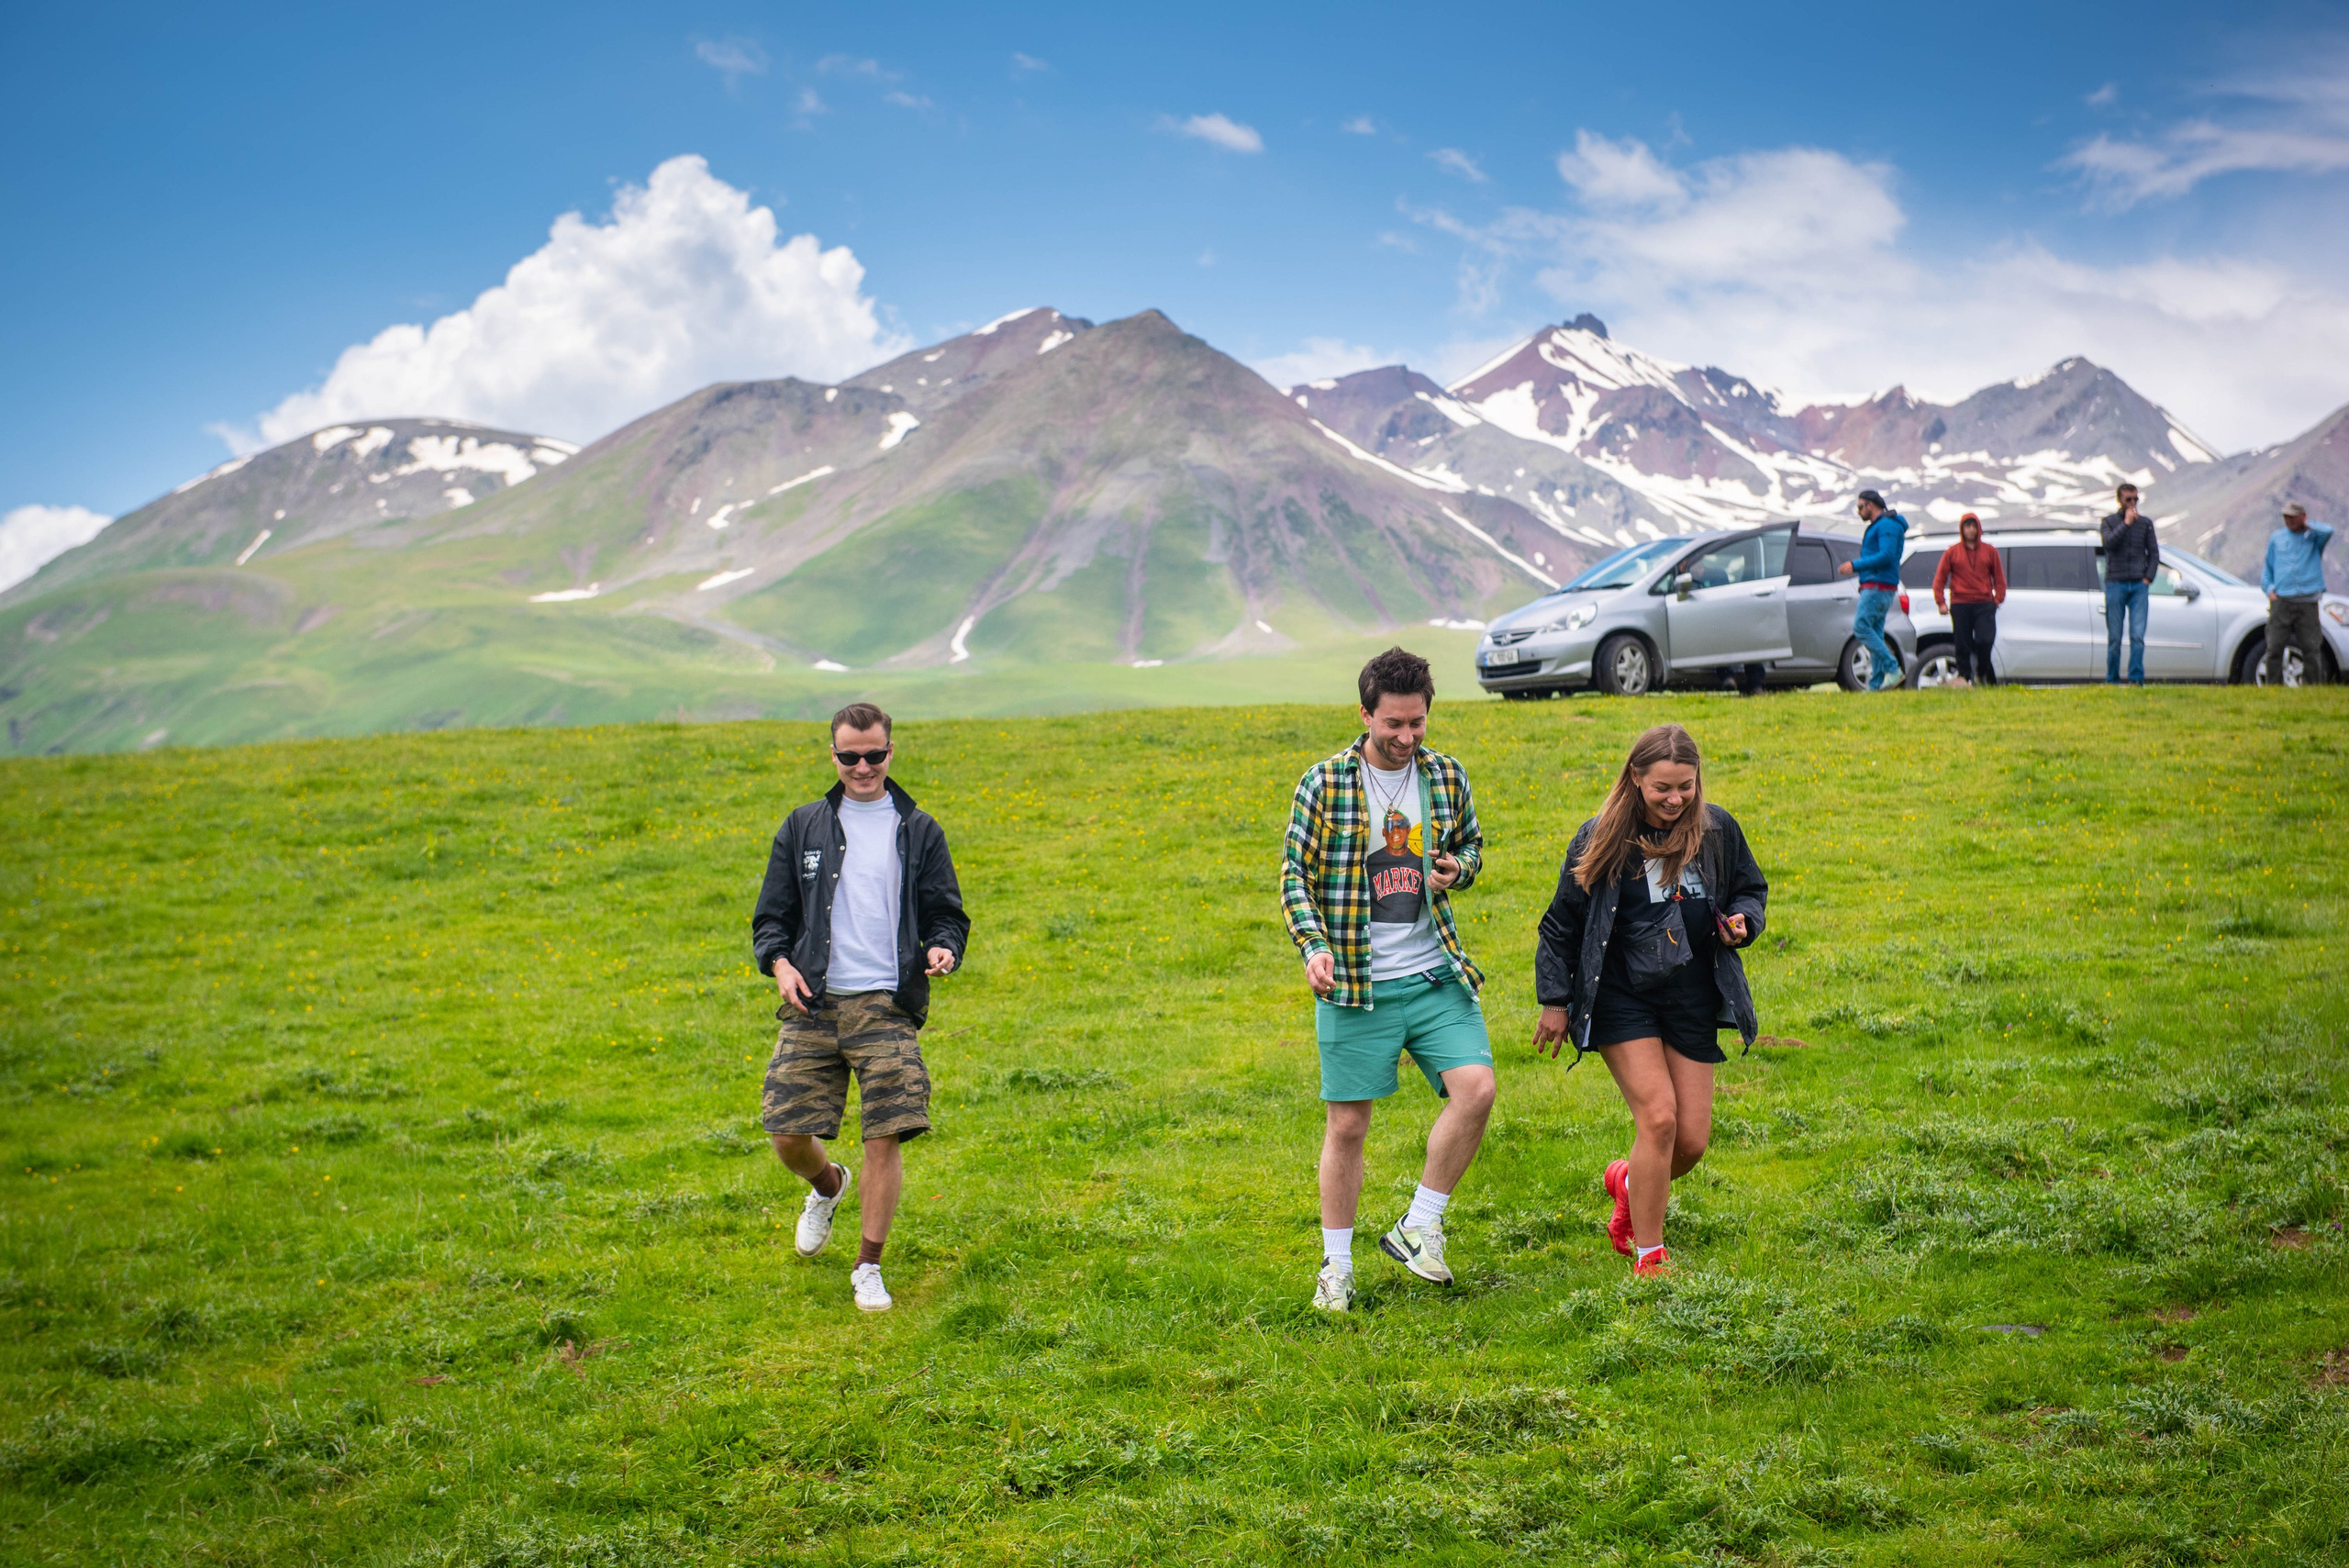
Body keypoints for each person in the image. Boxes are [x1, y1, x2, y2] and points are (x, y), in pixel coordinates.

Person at [1282, 647, 1493, 1312]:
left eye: (1418, 723)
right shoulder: (1325, 783)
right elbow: (1294, 876)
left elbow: (1472, 846)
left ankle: (1419, 1223)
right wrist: (1313, 946)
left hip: (1433, 972)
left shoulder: (1446, 775)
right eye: (1394, 724)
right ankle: (1336, 1268)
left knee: (1478, 1089)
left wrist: (1458, 868)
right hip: (1355, 981)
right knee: (1347, 1127)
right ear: (1366, 714)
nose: (1406, 737)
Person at [750, 702, 970, 1313]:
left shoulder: (919, 829)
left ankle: (867, 1265)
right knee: (787, 1134)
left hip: (887, 1003)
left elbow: (948, 914)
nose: (863, 765)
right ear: (834, 755)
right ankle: (827, 1185)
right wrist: (782, 965)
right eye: (850, 755)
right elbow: (772, 919)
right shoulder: (802, 827)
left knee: (886, 1132)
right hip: (815, 1001)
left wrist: (943, 949)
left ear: (890, 752)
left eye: (874, 754)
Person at [1531, 724, 1768, 1277]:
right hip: (1621, 998)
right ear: (1635, 778)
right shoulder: (1601, 837)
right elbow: (1560, 925)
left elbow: (1748, 890)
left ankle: (1629, 1183)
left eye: (1685, 786)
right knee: (1659, 1121)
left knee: (1689, 1142)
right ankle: (1649, 1257)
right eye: (1662, 787)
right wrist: (1555, 1000)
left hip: (1690, 995)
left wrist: (1743, 923)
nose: (1675, 799)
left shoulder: (1717, 831)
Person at [1835, 488, 1908, 690]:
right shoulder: (1881, 525)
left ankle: (1892, 668)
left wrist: (1855, 565)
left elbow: (1886, 555)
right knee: (1875, 631)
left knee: (1861, 627)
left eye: (1860, 507)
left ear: (1871, 505)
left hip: (1879, 586)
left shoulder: (1887, 525)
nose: (1858, 511)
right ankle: (1876, 685)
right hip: (1876, 585)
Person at [2262, 502, 2336, 685]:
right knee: (2274, 646)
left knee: (2311, 647)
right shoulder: (2277, 538)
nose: (2289, 520)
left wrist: (2307, 524)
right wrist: (2270, 590)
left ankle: (2312, 686)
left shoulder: (2313, 537)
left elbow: (2328, 531)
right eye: (2286, 517)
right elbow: (2268, 568)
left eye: (2293, 517)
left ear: (2302, 516)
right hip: (2282, 600)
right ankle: (2273, 686)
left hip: (2307, 601)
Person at [1932, 513, 2008, 686]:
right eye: (1967, 526)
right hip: (1960, 604)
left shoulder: (1990, 551)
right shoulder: (1952, 552)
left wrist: (1997, 600)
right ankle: (1965, 678)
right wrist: (1941, 602)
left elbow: (1999, 579)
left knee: (1985, 641)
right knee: (1962, 644)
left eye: (1974, 526)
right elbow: (1939, 579)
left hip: (1984, 603)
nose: (1971, 530)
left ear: (1978, 528)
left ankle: (1983, 673)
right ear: (1962, 529)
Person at [2099, 484, 2161, 685]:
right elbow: (2108, 544)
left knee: (2137, 636)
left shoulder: (2145, 524)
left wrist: (2147, 578)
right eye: (2129, 500)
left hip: (2138, 586)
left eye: (2136, 499)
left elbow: (2153, 553)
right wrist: (2125, 524)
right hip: (2115, 583)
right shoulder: (2109, 522)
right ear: (2120, 500)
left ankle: (2136, 679)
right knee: (2115, 638)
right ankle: (2113, 680)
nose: (2133, 503)